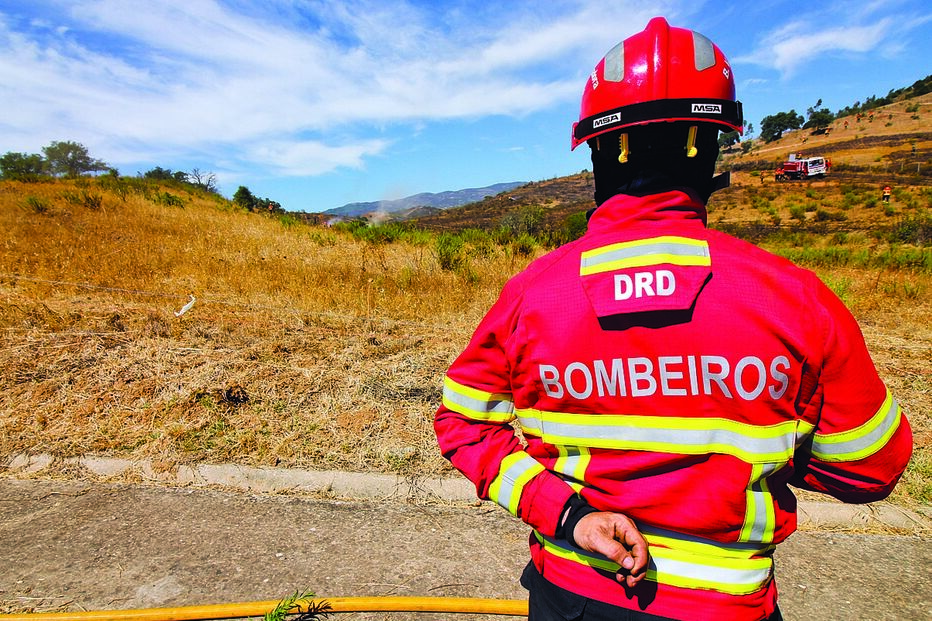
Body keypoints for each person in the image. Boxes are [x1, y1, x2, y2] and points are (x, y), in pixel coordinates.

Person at [434, 17, 912, 621]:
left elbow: (462, 423)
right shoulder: (793, 298)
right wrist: (761, 440)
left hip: (569, 596)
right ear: (712, 145)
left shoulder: (535, 294)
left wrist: (569, 516)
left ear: (598, 150)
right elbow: (872, 467)